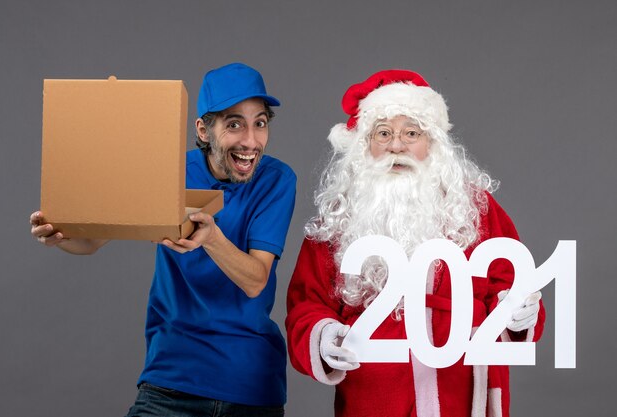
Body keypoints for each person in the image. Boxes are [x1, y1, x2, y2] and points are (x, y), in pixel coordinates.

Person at [30, 62, 296, 417]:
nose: (250, 140)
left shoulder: (276, 181)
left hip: (249, 383)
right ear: (203, 129)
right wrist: (57, 235)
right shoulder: (168, 171)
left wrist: (212, 238)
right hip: (172, 377)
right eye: (234, 124)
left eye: (259, 123)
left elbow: (255, 280)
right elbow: (91, 241)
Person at [285, 69, 545, 417]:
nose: (396, 146)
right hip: (375, 401)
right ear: (365, 144)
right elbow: (306, 303)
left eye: (411, 133)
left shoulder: (474, 207)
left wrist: (518, 313)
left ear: (432, 143)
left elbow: (513, 280)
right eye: (383, 133)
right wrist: (324, 336)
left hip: (462, 396)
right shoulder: (339, 218)